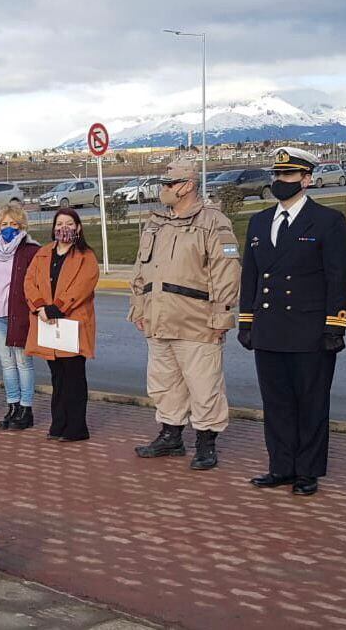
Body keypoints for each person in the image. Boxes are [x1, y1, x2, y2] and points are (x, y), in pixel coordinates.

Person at [238, 147, 346, 496]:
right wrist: (246, 321)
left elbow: (339, 278)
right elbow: (251, 276)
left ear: (306, 179)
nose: (280, 182)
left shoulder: (327, 222)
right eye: (277, 175)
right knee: (277, 403)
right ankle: (281, 466)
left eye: (288, 176)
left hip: (309, 330)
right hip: (270, 328)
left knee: (311, 402)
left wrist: (336, 325)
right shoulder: (259, 222)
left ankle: (307, 471)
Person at [129, 161, 241, 469]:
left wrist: (221, 317)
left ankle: (206, 442)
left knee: (204, 385)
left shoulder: (213, 223)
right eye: (162, 184)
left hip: (196, 322)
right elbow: (141, 270)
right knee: (164, 383)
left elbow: (226, 272)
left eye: (168, 183)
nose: (162, 189)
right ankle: (171, 435)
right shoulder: (156, 223)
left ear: (188, 185)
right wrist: (139, 307)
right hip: (159, 319)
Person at [24, 208, 99, 442]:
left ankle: (76, 428)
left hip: (72, 323)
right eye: (59, 224)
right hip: (46, 321)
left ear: (78, 228)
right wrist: (39, 306)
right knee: (57, 377)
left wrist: (56, 307)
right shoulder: (43, 253)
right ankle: (58, 424)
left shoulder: (86, 256)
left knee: (73, 377)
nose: (63, 228)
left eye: (68, 224)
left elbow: (83, 286)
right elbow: (29, 281)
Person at [0, 203, 40, 430]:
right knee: (7, 364)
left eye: (13, 224)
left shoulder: (30, 250)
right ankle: (12, 405)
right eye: (4, 224)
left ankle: (26, 409)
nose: (8, 228)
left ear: (21, 225)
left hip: (19, 314)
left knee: (23, 363)